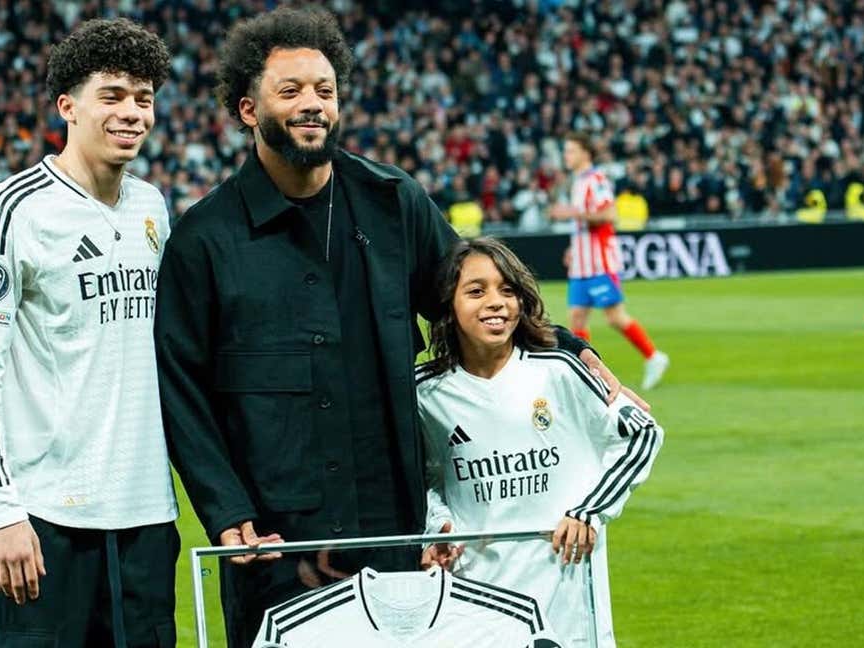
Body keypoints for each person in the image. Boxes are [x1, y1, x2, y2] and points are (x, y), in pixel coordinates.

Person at [152, 8, 643, 647]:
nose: (313, 106)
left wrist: (571, 349)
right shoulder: (205, 239)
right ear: (249, 110)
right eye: (291, 92)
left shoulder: (392, 201)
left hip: (397, 527)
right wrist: (226, 509)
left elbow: (473, 297)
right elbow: (180, 387)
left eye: (325, 91)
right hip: (275, 541)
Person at [0, 19, 180, 646]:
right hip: (43, 522)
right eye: (113, 95)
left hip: (147, 520)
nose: (132, 112)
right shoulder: (12, 209)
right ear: (67, 106)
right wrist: (0, 514)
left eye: (144, 97)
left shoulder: (153, 208)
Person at [416, 237, 663, 647]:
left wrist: (590, 511)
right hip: (476, 593)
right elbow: (422, 478)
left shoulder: (561, 369)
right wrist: (437, 525)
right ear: (448, 304)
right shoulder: (426, 392)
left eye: (507, 290)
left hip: (567, 590)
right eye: (476, 291)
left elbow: (642, 433)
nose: (495, 302)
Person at [550, 132, 669, 390]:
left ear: (585, 152)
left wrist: (571, 213)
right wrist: (574, 248)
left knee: (614, 317)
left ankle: (653, 356)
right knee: (577, 319)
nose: (566, 156)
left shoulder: (596, 179)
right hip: (581, 263)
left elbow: (609, 214)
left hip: (600, 262)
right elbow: (584, 222)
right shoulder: (578, 182)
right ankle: (584, 373)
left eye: (570, 150)